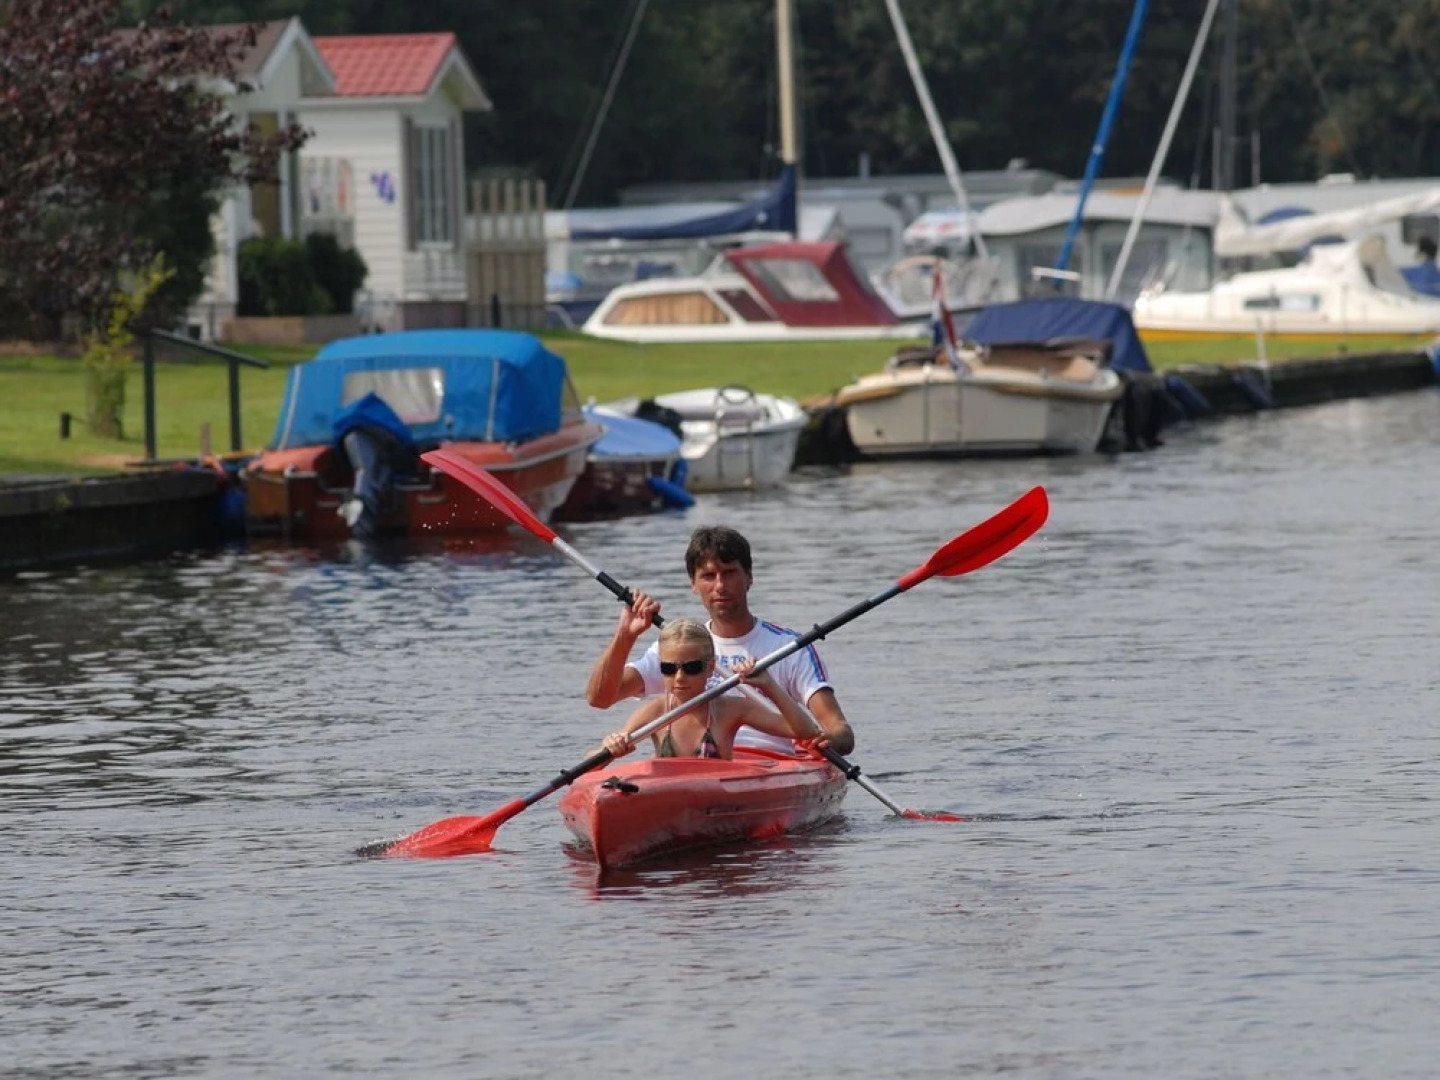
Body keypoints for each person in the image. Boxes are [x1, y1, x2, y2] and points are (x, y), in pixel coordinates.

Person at [585, 525, 856, 756]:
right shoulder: (677, 647)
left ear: (749, 577)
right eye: (708, 576)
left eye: (729, 573)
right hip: (697, 765)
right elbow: (600, 699)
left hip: (773, 766)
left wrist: (828, 741)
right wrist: (625, 635)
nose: (720, 586)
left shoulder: (789, 648)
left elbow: (839, 731)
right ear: (693, 584)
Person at [597, 618, 823, 761]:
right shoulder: (655, 712)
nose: (679, 678)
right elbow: (592, 764)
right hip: (672, 802)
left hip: (716, 803)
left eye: (692, 667)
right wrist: (611, 746)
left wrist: (769, 685)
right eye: (668, 668)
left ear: (710, 668)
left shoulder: (731, 710)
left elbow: (806, 731)